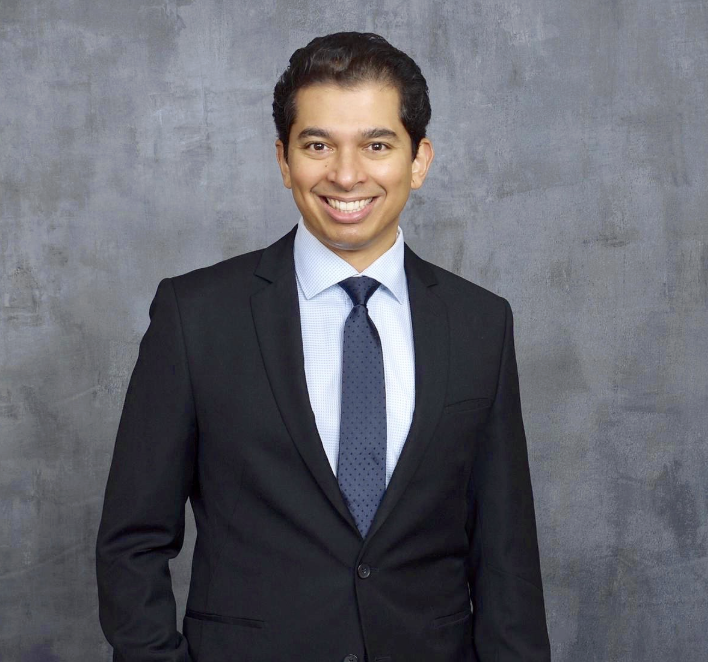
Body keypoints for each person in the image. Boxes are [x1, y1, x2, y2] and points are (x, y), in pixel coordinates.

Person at [96, 31, 551, 662]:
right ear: (284, 160)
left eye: (376, 145)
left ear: (419, 160)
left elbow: (506, 556)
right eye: (317, 145)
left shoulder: (481, 322)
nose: (346, 173)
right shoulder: (195, 316)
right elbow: (132, 542)